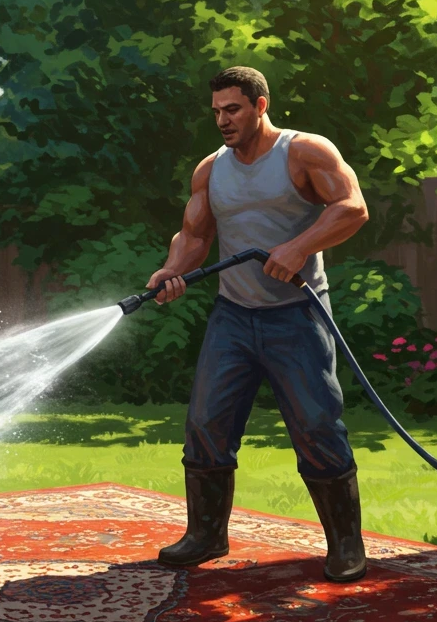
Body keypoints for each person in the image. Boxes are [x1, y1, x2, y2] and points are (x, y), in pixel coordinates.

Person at [147, 66, 371, 583]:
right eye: (217, 112)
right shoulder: (211, 170)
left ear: (261, 105)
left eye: (234, 109)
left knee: (317, 427)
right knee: (206, 425)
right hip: (233, 316)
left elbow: (352, 208)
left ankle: (345, 546)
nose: (223, 121)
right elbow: (194, 235)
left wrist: (297, 248)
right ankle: (206, 536)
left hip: (297, 314)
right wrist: (171, 270)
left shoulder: (304, 152)